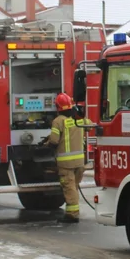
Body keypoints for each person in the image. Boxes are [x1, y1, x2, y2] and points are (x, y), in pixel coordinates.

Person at [45, 93, 90, 224]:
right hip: (80, 162)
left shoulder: (58, 121)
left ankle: (72, 214)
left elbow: (53, 141)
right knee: (74, 187)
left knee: (69, 188)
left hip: (66, 164)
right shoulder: (79, 119)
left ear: (58, 107)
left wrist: (46, 144)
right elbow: (91, 125)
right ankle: (72, 212)